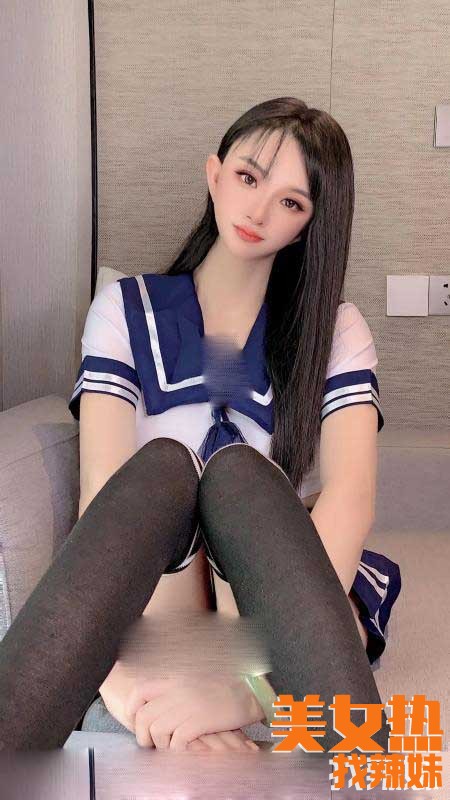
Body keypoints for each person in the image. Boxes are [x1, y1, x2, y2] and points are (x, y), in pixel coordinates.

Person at [0, 97, 401, 752]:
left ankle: (312, 724)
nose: (259, 211)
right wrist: (117, 681)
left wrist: (250, 690)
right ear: (214, 174)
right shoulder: (125, 310)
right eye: (248, 177)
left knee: (239, 477)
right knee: (164, 470)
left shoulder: (334, 329)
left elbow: (350, 498)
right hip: (164, 593)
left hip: (272, 591)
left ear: (309, 225)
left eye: (291, 202)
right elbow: (104, 496)